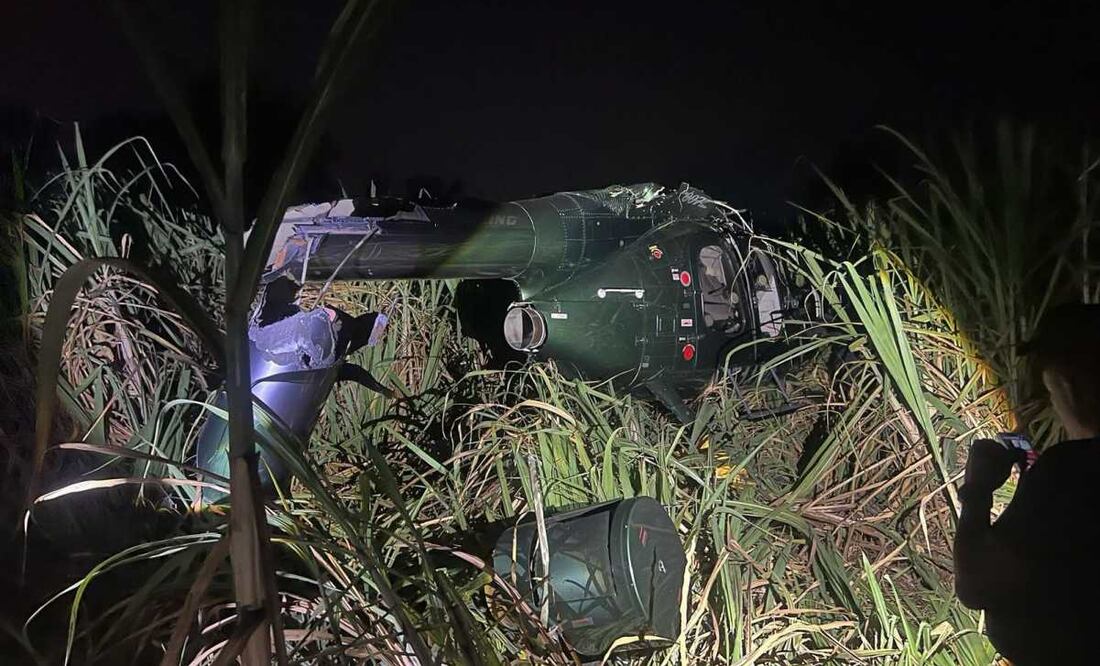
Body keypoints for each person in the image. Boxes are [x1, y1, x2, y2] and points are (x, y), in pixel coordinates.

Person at [954, 303, 1100, 665]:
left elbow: (977, 585)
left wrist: (977, 490)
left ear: (1067, 386)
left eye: (1050, 392)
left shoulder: (1072, 470)